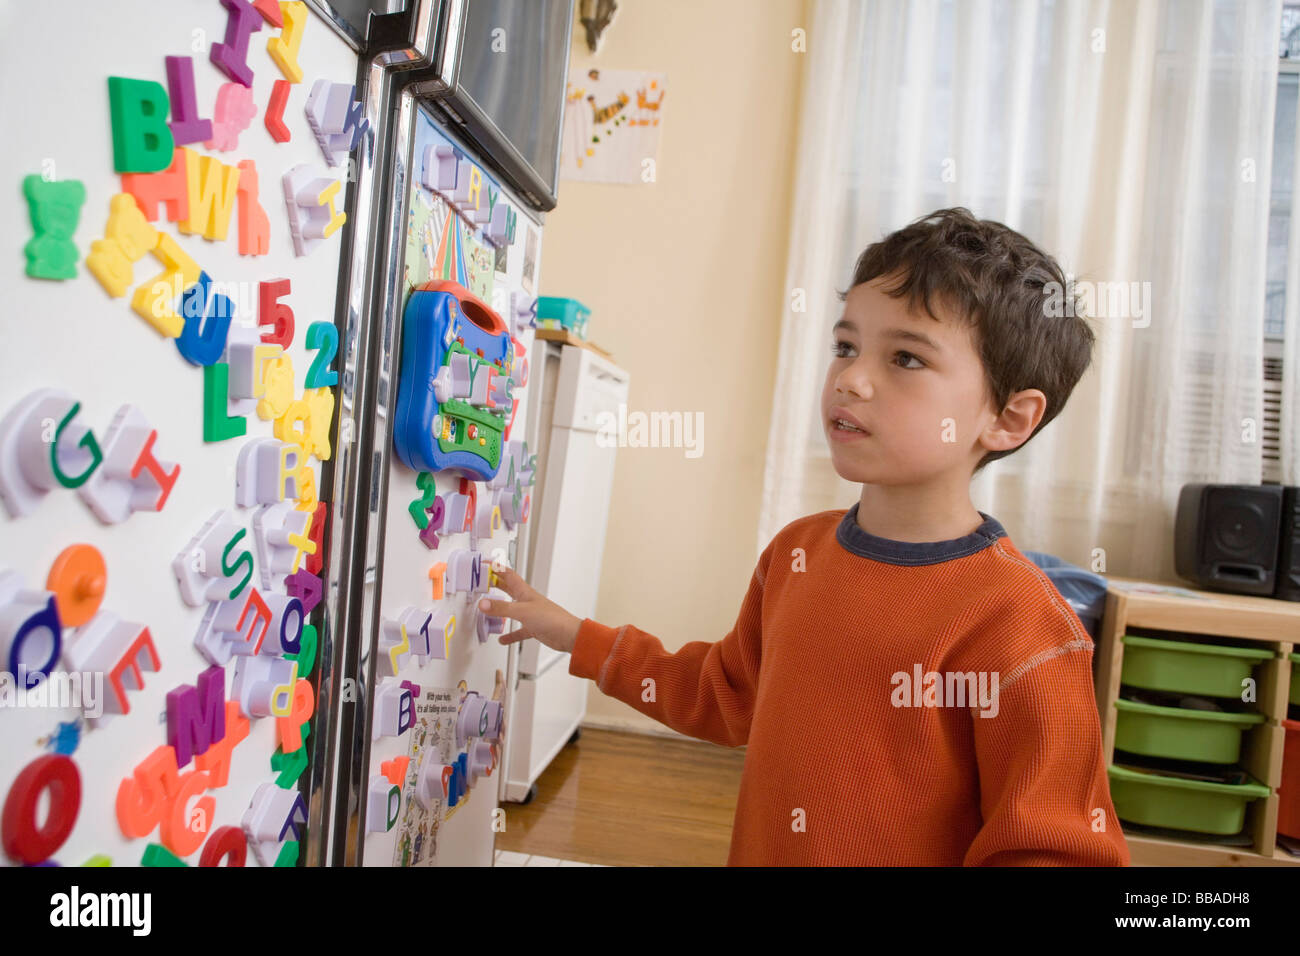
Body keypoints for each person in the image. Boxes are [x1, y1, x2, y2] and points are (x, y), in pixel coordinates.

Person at [478, 207, 1130, 866]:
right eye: (846, 347)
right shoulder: (797, 555)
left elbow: (1056, 848)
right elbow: (724, 695)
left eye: (905, 357)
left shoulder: (1024, 626)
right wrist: (575, 638)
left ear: (1008, 419)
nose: (850, 378)